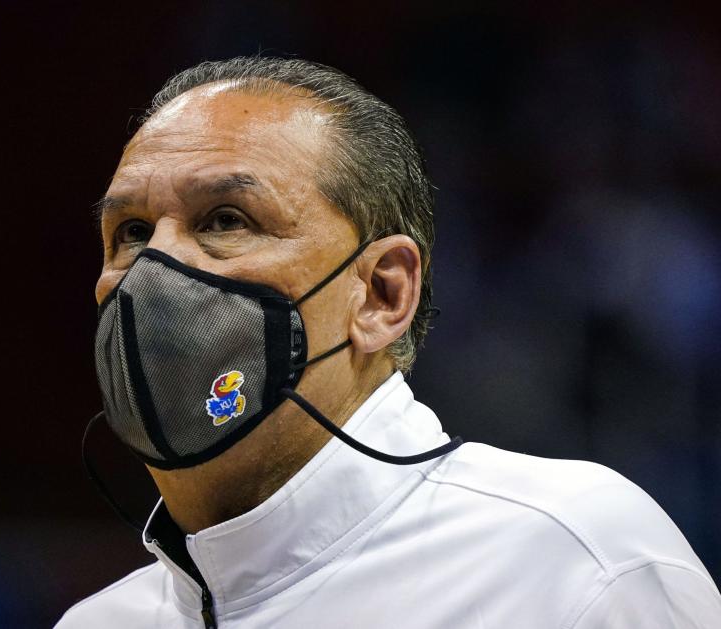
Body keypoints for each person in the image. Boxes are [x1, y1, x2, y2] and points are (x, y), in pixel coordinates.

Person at [56, 57, 721, 628]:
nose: (154, 269)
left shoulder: (578, 565)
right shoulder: (99, 622)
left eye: (225, 219)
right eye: (132, 232)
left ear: (382, 295)